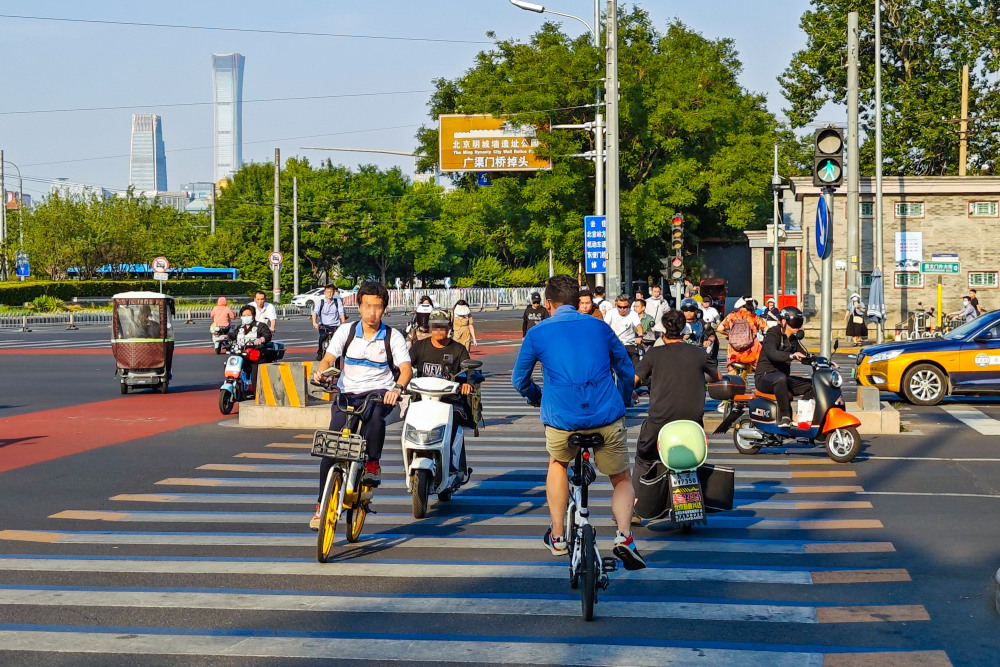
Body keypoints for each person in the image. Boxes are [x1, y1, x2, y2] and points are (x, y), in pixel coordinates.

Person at [512, 274, 645, 570]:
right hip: (606, 417)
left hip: (562, 420)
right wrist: (622, 400)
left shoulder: (538, 332)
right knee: (621, 478)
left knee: (558, 464)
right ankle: (624, 536)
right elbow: (626, 371)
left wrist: (537, 397)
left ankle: (558, 535)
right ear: (578, 302)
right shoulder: (600, 327)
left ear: (549, 304)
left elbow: (519, 380)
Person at [309, 281, 412, 530]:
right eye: (367, 306)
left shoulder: (393, 336)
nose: (372, 312)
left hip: (379, 393)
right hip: (347, 394)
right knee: (331, 449)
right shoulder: (346, 331)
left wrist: (396, 389)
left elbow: (406, 369)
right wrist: (320, 373)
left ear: (384, 308)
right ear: (359, 306)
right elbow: (328, 358)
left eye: (377, 307)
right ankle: (321, 507)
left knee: (376, 418)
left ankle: (373, 463)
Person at [633, 309, 721, 491]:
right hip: (693, 422)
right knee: (695, 460)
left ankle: (633, 508)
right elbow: (718, 376)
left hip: (659, 421)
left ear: (663, 332)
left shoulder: (653, 354)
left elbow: (632, 381)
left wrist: (631, 391)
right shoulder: (699, 353)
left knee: (643, 458)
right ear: (684, 330)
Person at [409, 309, 474, 480]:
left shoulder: (458, 349)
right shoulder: (419, 347)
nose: (438, 331)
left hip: (449, 401)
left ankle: (451, 459)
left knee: (453, 420)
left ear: (449, 327)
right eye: (435, 327)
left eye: (442, 327)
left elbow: (471, 371)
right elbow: (405, 365)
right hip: (422, 400)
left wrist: (468, 383)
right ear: (429, 327)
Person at [755, 306, 813, 429]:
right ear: (783, 321)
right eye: (793, 322)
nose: (796, 326)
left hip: (783, 380)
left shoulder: (793, 339)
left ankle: (801, 416)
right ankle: (785, 416)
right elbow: (773, 353)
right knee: (780, 378)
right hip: (765, 377)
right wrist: (791, 355)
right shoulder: (773, 334)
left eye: (799, 323)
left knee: (813, 385)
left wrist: (823, 362)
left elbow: (804, 356)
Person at [716, 297, 766, 375]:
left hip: (734, 353)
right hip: (751, 353)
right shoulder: (754, 317)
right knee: (761, 370)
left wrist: (730, 335)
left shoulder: (732, 316)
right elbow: (767, 329)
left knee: (732, 375)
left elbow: (719, 329)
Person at [229, 305, 272, 388]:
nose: (246, 317)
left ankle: (256, 392)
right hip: (242, 355)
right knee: (231, 366)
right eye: (243, 315)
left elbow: (267, 335)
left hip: (256, 356)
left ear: (253, 315)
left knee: (255, 375)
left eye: (248, 315)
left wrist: (261, 339)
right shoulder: (240, 328)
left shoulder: (260, 326)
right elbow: (232, 335)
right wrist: (225, 336)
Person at [604, 294, 642, 369]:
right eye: (619, 307)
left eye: (625, 307)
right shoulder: (610, 313)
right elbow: (605, 327)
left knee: (637, 367)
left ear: (629, 306)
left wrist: (640, 336)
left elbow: (639, 326)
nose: (622, 309)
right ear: (616, 305)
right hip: (614, 344)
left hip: (629, 344)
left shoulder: (633, 314)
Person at [311, 284, 347, 360]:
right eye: (328, 292)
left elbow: (341, 313)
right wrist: (315, 323)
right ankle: (320, 352)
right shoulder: (321, 302)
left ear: (334, 292)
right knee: (322, 337)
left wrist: (343, 323)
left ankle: (337, 365)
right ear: (324, 292)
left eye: (331, 292)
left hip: (335, 326)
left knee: (337, 343)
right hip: (324, 325)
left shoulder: (337, 302)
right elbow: (315, 313)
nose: (329, 294)